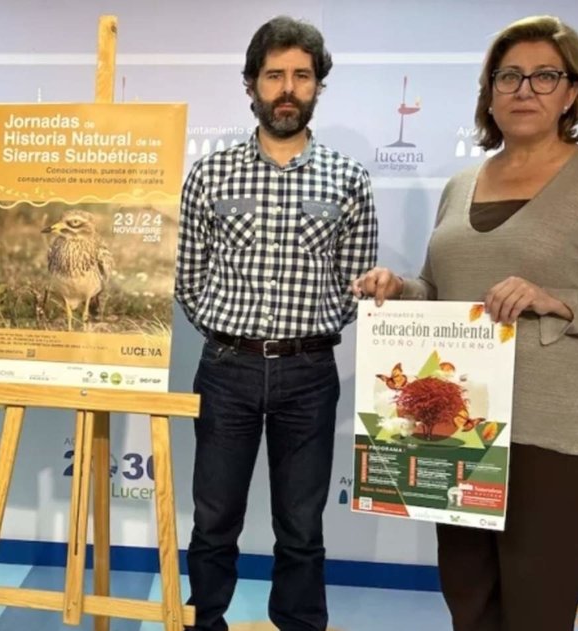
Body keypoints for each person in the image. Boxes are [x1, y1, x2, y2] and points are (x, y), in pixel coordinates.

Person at [351, 15, 578, 631]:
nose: (525, 89)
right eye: (509, 76)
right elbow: (444, 293)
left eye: (544, 76)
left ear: (572, 92)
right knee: (468, 600)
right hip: (459, 432)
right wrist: (400, 289)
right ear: (490, 93)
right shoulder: (462, 183)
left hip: (557, 431)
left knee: (537, 609)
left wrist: (555, 298)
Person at [174, 16, 378, 631]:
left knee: (301, 526)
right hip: (226, 369)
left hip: (310, 373)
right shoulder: (211, 174)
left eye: (301, 75)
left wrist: (305, 333)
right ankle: (205, 620)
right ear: (251, 85)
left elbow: (354, 284)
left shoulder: (348, 178)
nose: (287, 88)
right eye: (274, 75)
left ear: (317, 86)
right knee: (213, 521)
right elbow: (188, 278)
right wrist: (231, 330)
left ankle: (300, 624)